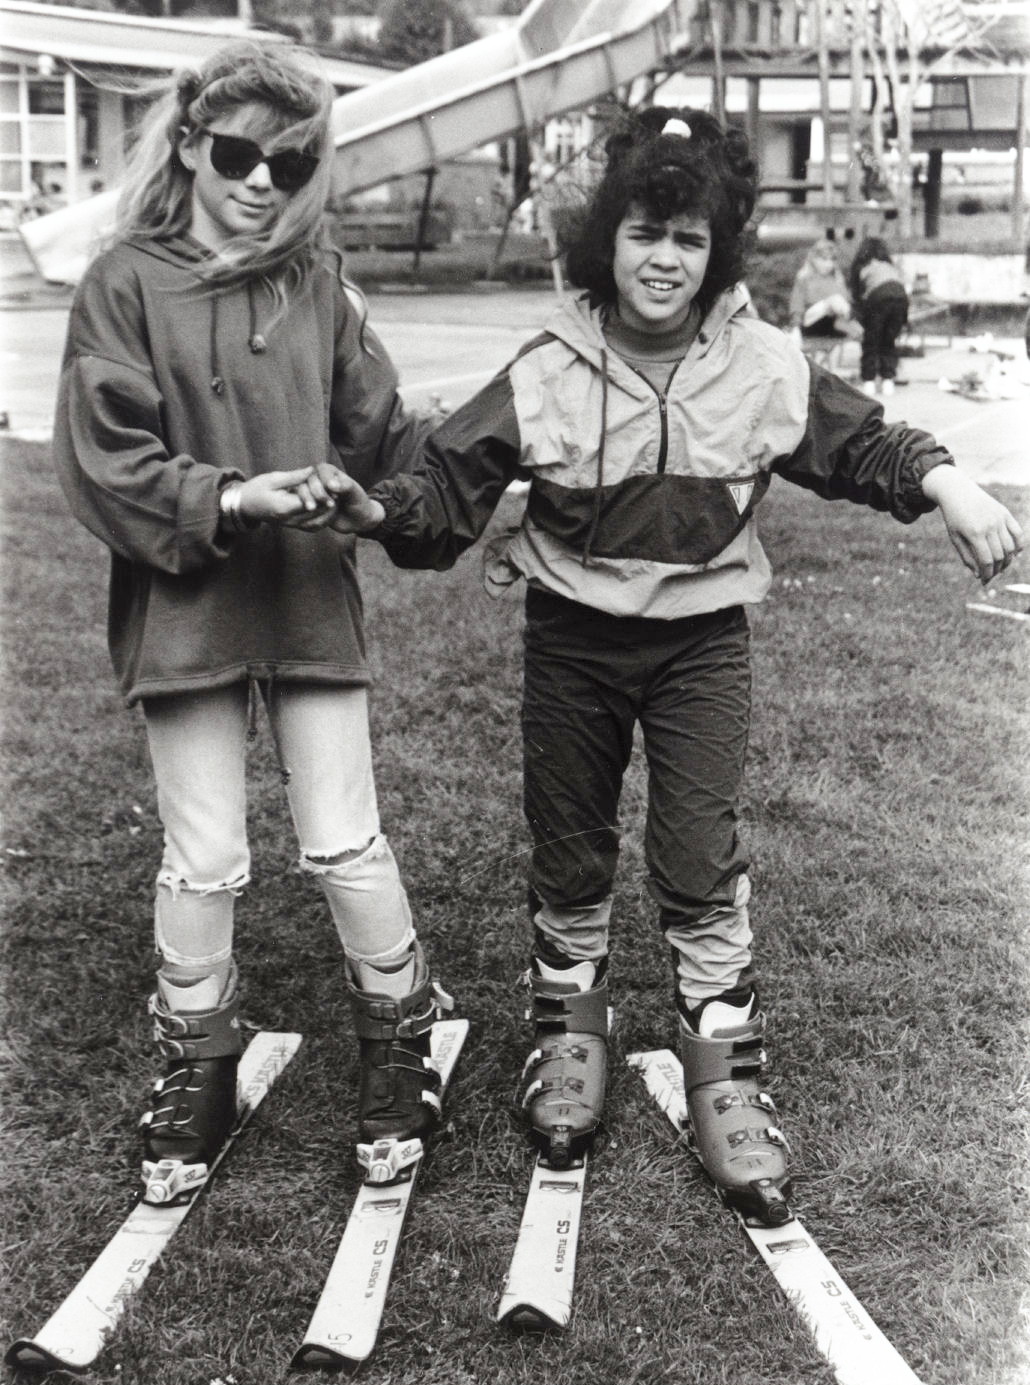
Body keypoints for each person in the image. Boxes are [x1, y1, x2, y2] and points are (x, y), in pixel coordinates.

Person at [322, 107, 1022, 1224]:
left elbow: (862, 441)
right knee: (570, 843)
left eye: (690, 239)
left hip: (701, 646)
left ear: (719, 250)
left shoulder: (761, 362)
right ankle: (569, 1033)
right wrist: (379, 510)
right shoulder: (548, 364)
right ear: (606, 238)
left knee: (697, 854)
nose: (664, 259)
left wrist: (950, 483)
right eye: (644, 232)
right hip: (574, 642)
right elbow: (448, 487)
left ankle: (725, 1067)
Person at [52, 41, 453, 1206]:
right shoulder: (124, 281)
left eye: (291, 162)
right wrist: (232, 498)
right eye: (238, 155)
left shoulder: (317, 281)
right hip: (185, 611)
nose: (263, 181)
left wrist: (431, 481)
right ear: (188, 146)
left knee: (343, 839)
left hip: (307, 597)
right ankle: (199, 1062)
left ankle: (400, 1037)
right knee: (205, 855)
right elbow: (103, 457)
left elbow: (384, 438)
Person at [848, 236, 910, 397]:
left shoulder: (863, 267)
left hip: (878, 298)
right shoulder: (890, 267)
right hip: (900, 298)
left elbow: (858, 298)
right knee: (889, 340)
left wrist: (859, 320)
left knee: (871, 340)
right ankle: (888, 380)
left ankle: (869, 380)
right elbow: (901, 286)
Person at [788, 236, 855, 352]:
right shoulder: (804, 278)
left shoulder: (837, 279)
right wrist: (795, 327)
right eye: (824, 260)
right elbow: (796, 304)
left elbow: (845, 305)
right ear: (814, 259)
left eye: (831, 260)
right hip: (809, 323)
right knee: (834, 300)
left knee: (839, 301)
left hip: (832, 323)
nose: (828, 264)